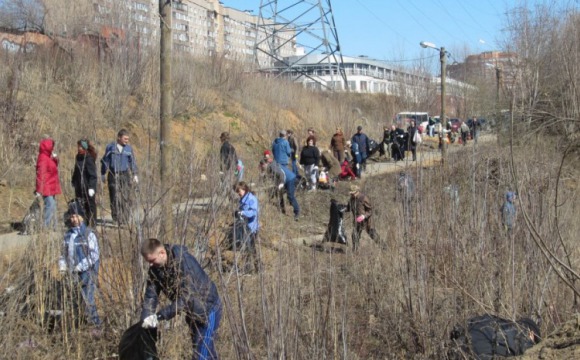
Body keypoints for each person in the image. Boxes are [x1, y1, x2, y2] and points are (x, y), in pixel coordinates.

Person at [141, 238, 222, 360]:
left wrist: (159, 316)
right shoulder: (156, 270)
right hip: (192, 312)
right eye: (148, 262)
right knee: (206, 352)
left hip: (208, 310)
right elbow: (150, 297)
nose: (151, 265)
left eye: (152, 260)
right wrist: (146, 320)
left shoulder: (183, 262)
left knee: (201, 356)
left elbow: (186, 298)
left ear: (162, 253)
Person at [60, 200, 102, 328]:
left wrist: (81, 266)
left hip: (87, 272)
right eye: (71, 216)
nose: (73, 219)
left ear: (82, 217)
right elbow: (63, 254)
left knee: (87, 298)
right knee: (75, 299)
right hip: (72, 272)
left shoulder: (88, 234)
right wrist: (62, 266)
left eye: (76, 216)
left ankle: (96, 325)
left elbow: (94, 254)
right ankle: (79, 324)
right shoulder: (68, 235)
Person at [101, 129, 138, 224]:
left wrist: (134, 174)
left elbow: (132, 162)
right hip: (113, 174)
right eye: (125, 139)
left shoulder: (128, 149)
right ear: (119, 137)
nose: (127, 141)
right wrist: (103, 173)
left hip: (125, 174)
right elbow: (105, 161)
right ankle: (116, 218)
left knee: (125, 196)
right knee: (114, 196)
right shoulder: (111, 148)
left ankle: (125, 219)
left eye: (128, 139)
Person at [263, 155, 300, 221]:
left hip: (290, 179)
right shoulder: (270, 167)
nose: (262, 167)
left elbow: (281, 174)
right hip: (285, 180)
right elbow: (274, 177)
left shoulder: (272, 166)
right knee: (279, 193)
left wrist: (281, 183)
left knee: (290, 196)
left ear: (266, 164)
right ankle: (282, 209)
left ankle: (297, 212)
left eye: (263, 165)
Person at [36, 136, 62, 229]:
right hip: (46, 186)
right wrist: (39, 190)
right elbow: (40, 174)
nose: (53, 148)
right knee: (50, 205)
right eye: (52, 146)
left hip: (51, 185)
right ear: (47, 147)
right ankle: (45, 227)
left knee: (53, 206)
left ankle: (55, 226)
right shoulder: (43, 158)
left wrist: (55, 159)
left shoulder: (48, 157)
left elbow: (53, 168)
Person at [233, 181, 260, 273]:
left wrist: (242, 213)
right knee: (249, 249)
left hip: (251, 228)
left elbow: (253, 212)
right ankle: (256, 268)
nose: (238, 193)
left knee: (250, 249)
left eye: (238, 191)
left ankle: (253, 269)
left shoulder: (251, 199)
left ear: (244, 189)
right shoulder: (243, 199)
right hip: (245, 227)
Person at [345, 185, 381, 252]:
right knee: (354, 235)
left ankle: (384, 247)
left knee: (373, 235)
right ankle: (355, 251)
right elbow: (348, 208)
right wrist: (342, 208)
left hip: (367, 221)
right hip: (357, 221)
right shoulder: (351, 199)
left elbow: (370, 210)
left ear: (357, 192)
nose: (352, 195)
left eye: (353, 193)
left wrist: (364, 216)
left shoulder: (363, 198)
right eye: (351, 194)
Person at [71, 138, 98, 227]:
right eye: (78, 146)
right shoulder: (78, 157)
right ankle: (83, 224)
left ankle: (92, 224)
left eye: (81, 147)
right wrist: (73, 180)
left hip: (88, 187)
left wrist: (92, 187)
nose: (79, 148)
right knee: (81, 206)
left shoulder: (89, 158)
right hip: (79, 187)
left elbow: (93, 175)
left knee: (90, 206)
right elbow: (76, 170)